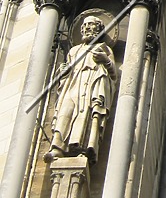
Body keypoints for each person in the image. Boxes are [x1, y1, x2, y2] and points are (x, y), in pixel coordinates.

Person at [45, 15, 117, 163]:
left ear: (98, 30)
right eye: (85, 26)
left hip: (93, 85)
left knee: (86, 115)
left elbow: (113, 75)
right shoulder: (74, 50)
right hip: (74, 85)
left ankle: (83, 148)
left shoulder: (105, 49)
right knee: (65, 111)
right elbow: (67, 72)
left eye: (92, 25)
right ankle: (57, 148)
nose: (87, 28)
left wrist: (105, 60)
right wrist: (63, 71)